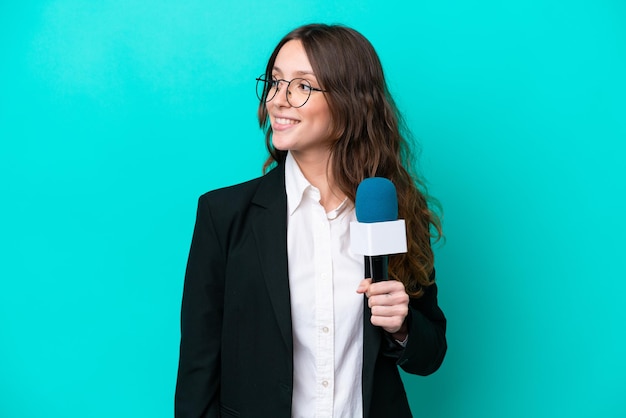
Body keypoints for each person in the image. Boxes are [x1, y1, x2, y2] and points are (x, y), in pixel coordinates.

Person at [175, 23, 447, 418]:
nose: (278, 100)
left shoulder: (390, 210)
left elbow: (431, 353)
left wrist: (402, 327)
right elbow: (197, 367)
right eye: (275, 82)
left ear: (351, 101)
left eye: (301, 86)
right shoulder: (224, 215)